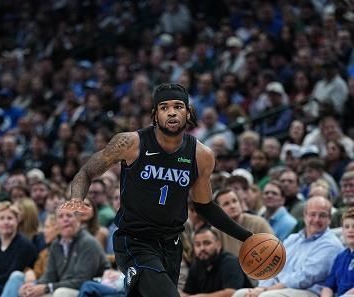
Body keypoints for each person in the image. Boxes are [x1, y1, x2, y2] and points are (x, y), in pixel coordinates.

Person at [60, 83, 253, 297]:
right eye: (164, 107)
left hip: (171, 244)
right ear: (155, 115)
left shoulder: (201, 155)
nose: (171, 112)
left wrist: (247, 237)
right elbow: (87, 171)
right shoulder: (130, 143)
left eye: (178, 106)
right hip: (134, 241)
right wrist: (77, 196)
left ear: (188, 113)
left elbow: (205, 206)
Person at [232, 196, 344, 297]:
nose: (316, 219)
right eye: (312, 214)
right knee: (240, 294)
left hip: (309, 291)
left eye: (322, 215)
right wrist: (260, 288)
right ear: (305, 216)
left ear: (329, 219)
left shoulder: (331, 244)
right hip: (279, 289)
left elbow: (305, 278)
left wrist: (266, 290)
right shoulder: (292, 239)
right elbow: (271, 266)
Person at [181, 226, 251, 297]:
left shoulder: (230, 262)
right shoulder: (196, 265)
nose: (202, 248)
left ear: (218, 245)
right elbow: (187, 293)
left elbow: (231, 293)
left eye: (207, 243)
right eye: (198, 245)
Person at [321, 207, 354, 297]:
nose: (350, 230)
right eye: (347, 227)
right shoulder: (340, 257)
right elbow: (329, 286)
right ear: (342, 230)